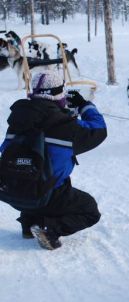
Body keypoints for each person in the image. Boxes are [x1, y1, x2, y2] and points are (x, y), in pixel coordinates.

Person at [0, 70, 107, 250]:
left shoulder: (19, 118)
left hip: (11, 191)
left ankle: (29, 223)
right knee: (89, 209)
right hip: (44, 194)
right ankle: (50, 231)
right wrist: (84, 105)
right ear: (59, 93)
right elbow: (99, 130)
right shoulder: (66, 126)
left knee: (31, 173)